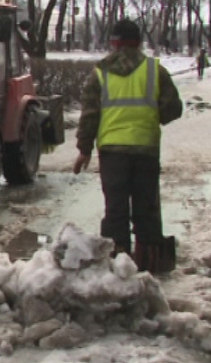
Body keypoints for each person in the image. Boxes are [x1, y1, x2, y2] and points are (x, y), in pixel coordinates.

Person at [72, 19, 183, 274]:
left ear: (115, 42)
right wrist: (152, 117)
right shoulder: (156, 71)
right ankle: (150, 264)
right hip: (146, 149)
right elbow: (173, 109)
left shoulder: (100, 73)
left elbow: (90, 114)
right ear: (138, 41)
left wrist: (84, 150)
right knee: (147, 208)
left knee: (116, 210)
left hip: (112, 152)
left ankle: (117, 264)